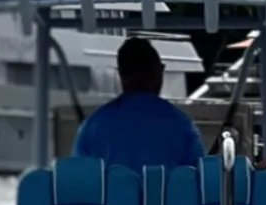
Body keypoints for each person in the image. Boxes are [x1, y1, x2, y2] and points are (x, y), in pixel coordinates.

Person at [73, 35, 205, 173]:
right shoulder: (182, 126)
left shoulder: (92, 127)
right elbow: (201, 182)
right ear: (157, 72)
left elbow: (80, 182)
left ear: (121, 74)